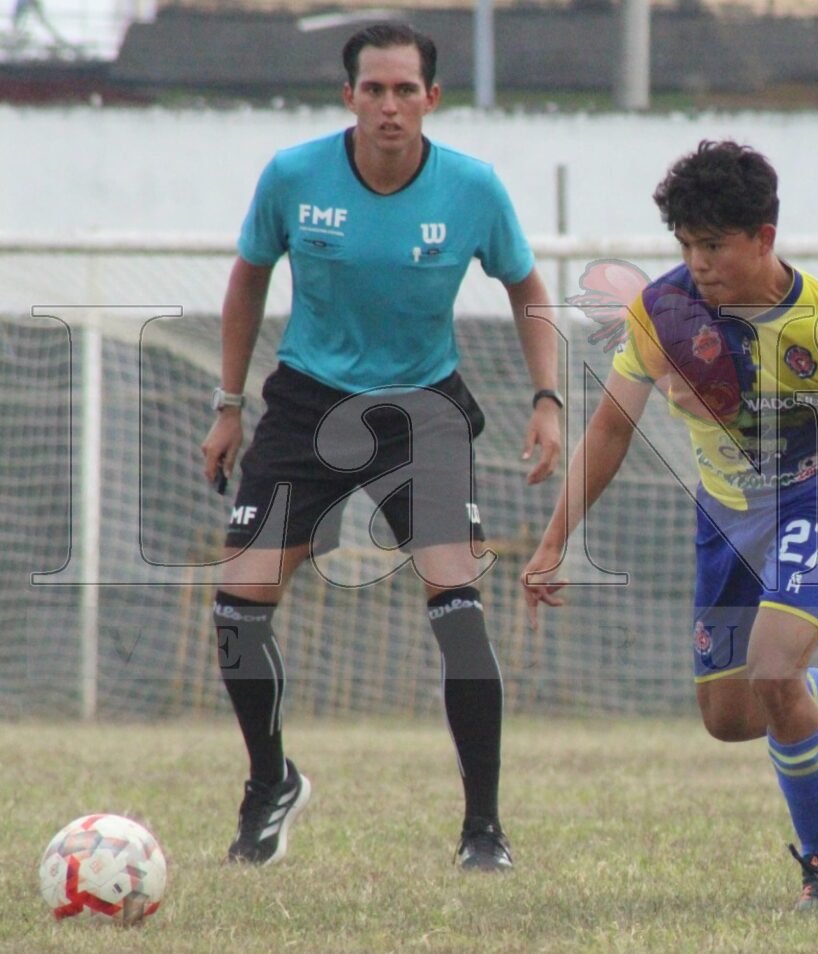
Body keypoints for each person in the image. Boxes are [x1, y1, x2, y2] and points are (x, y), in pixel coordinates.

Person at [521, 141, 818, 912]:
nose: (697, 263)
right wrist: (555, 539)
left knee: (773, 673)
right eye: (686, 244)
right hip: (725, 520)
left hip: (815, 503)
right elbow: (608, 432)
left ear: (764, 237)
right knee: (730, 717)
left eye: (714, 245)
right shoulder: (661, 312)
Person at [199, 22, 562, 873]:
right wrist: (227, 406)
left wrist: (547, 398)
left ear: (432, 98)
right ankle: (270, 783)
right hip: (305, 402)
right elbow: (248, 278)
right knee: (237, 607)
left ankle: (484, 831)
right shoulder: (293, 177)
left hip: (422, 410)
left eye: (406, 90)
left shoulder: (472, 189)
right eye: (374, 89)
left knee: (458, 605)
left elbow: (526, 285)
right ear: (348, 95)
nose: (390, 106)